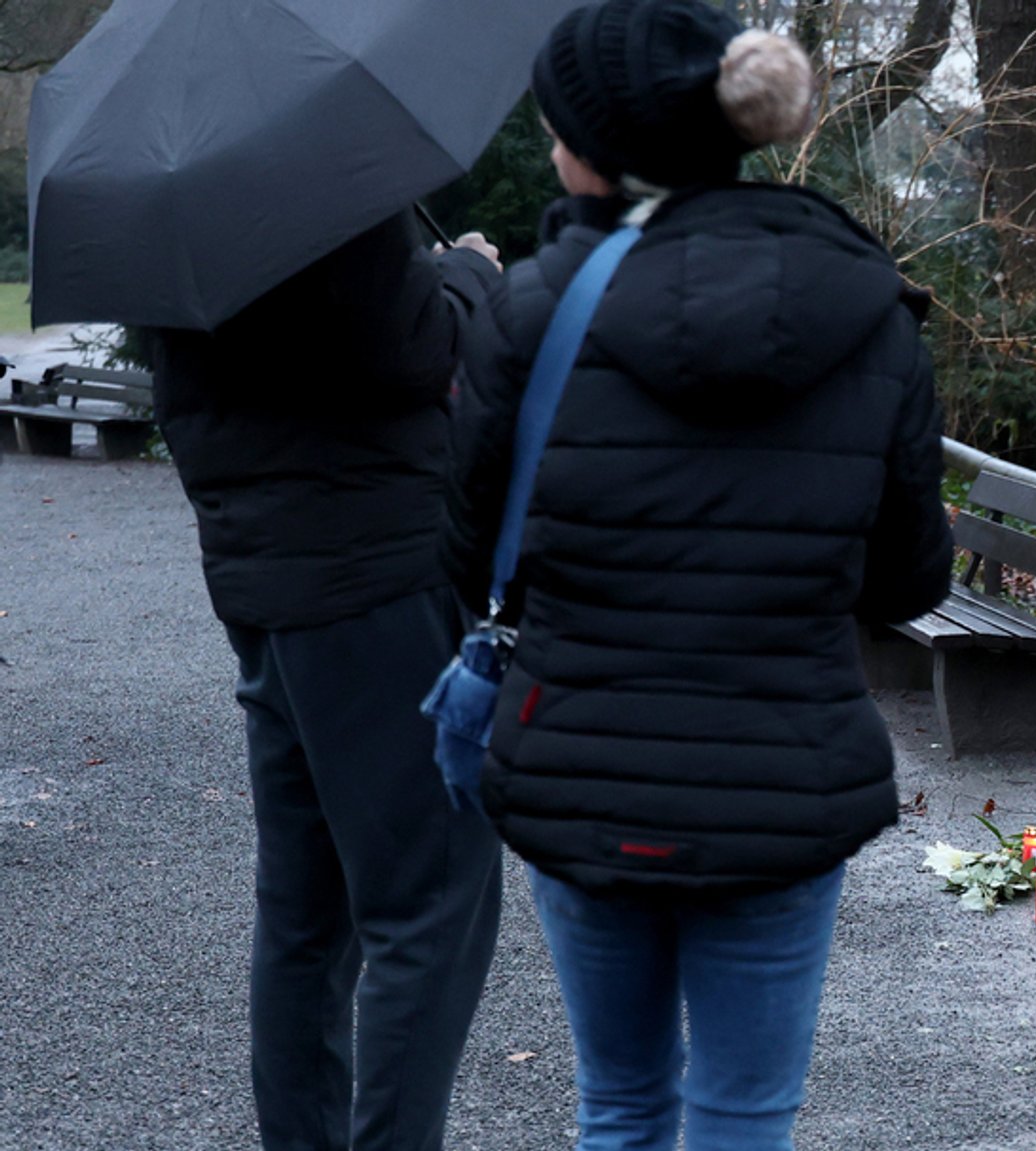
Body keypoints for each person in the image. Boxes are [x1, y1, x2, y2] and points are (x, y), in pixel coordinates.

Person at [442, 2, 952, 1147]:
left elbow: (474, 559)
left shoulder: (532, 311)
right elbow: (910, 580)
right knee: (745, 1113)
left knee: (618, 1102)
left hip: (582, 765)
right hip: (782, 778)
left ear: (595, 146)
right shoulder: (872, 313)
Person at [146, 214, 507, 1151]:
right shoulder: (331, 188)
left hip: (260, 579)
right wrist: (464, 272)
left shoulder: (169, 214)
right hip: (377, 573)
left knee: (305, 916)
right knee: (429, 905)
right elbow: (412, 346)